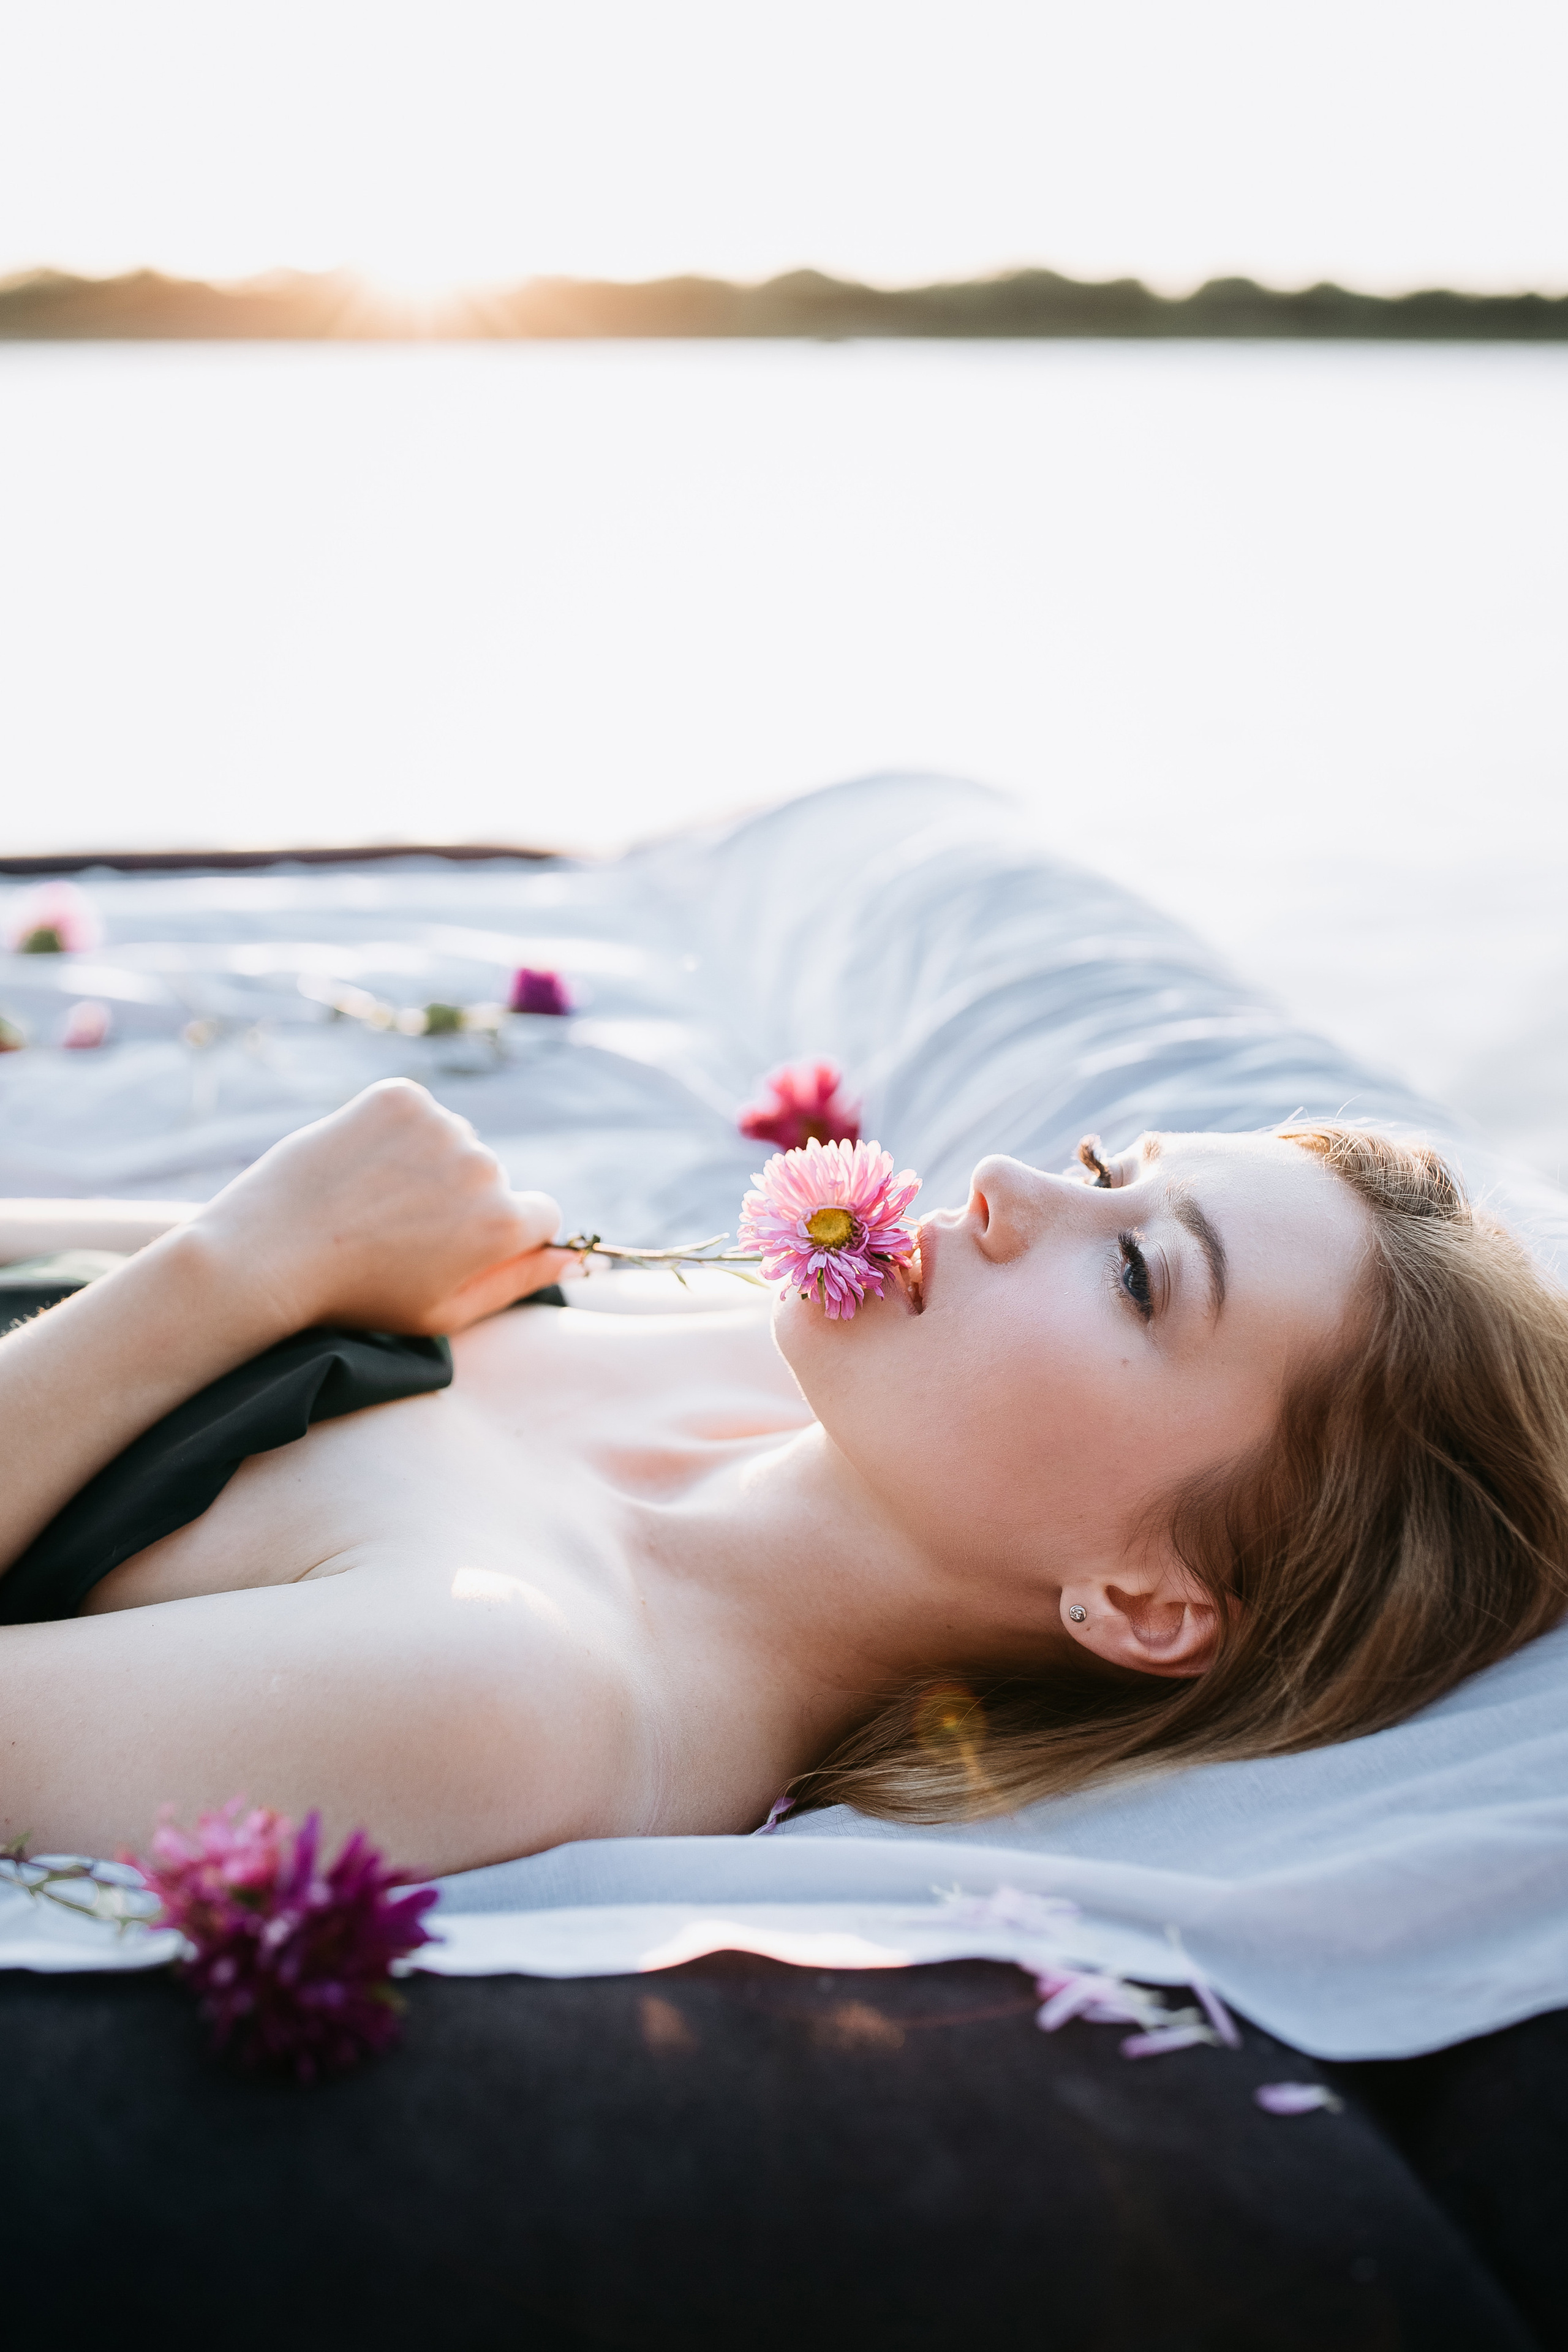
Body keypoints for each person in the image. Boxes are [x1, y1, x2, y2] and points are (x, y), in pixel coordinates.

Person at [1, 1077, 1564, 1878]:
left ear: (1151, 1601)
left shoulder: (511, 1702)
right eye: (1106, 1174)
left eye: (1140, 1278)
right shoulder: (745, 1356)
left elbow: (224, 1284)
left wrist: (235, 1264)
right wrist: (236, 1258)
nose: (1005, 1188)